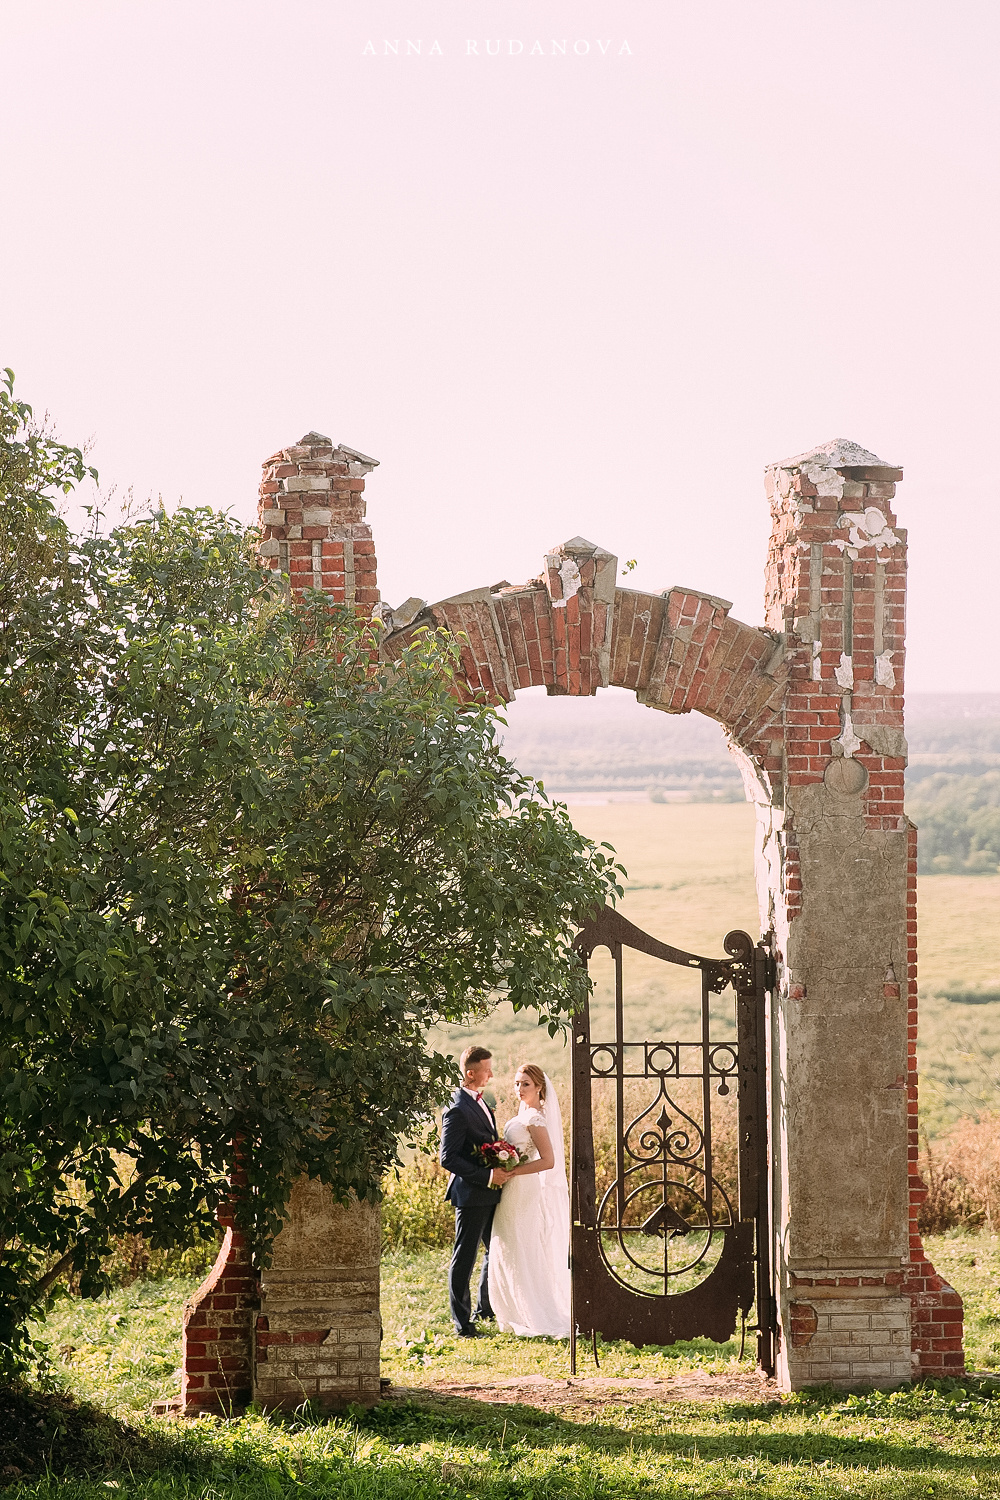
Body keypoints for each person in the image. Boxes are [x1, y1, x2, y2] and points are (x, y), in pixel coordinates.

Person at [487, 1063, 572, 1338]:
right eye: (516, 1083)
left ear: (539, 1087)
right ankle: (511, 1310)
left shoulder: (535, 1118)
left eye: (525, 1084)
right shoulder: (521, 1115)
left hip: (523, 1187)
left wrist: (513, 1170)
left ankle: (534, 1310)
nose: (519, 1089)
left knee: (521, 1243)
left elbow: (548, 1160)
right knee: (508, 1242)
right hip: (512, 1187)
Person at [439, 1045, 512, 1337]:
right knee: (465, 1257)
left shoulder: (479, 1101)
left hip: (488, 1192)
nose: (491, 1074)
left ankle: (485, 1309)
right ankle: (463, 1324)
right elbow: (448, 1157)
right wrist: (488, 1174)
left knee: (494, 1252)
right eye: (486, 1069)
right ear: (470, 1073)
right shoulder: (457, 1107)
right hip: (471, 1193)